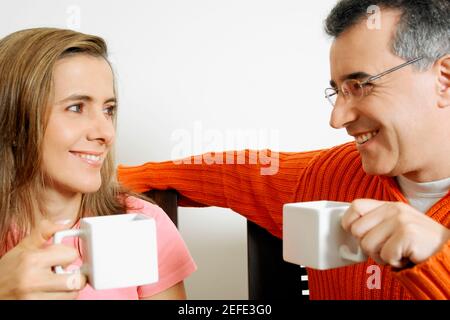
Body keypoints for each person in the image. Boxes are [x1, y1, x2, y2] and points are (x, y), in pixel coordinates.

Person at [117, 0, 450, 300]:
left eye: (361, 86)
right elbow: (226, 173)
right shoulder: (327, 176)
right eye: (337, 91)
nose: (337, 119)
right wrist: (88, 177)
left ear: (444, 79)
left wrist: (439, 255)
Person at [0, 28, 196, 300]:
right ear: (14, 120)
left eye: (108, 110)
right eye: (77, 108)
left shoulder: (140, 223)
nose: (106, 132)